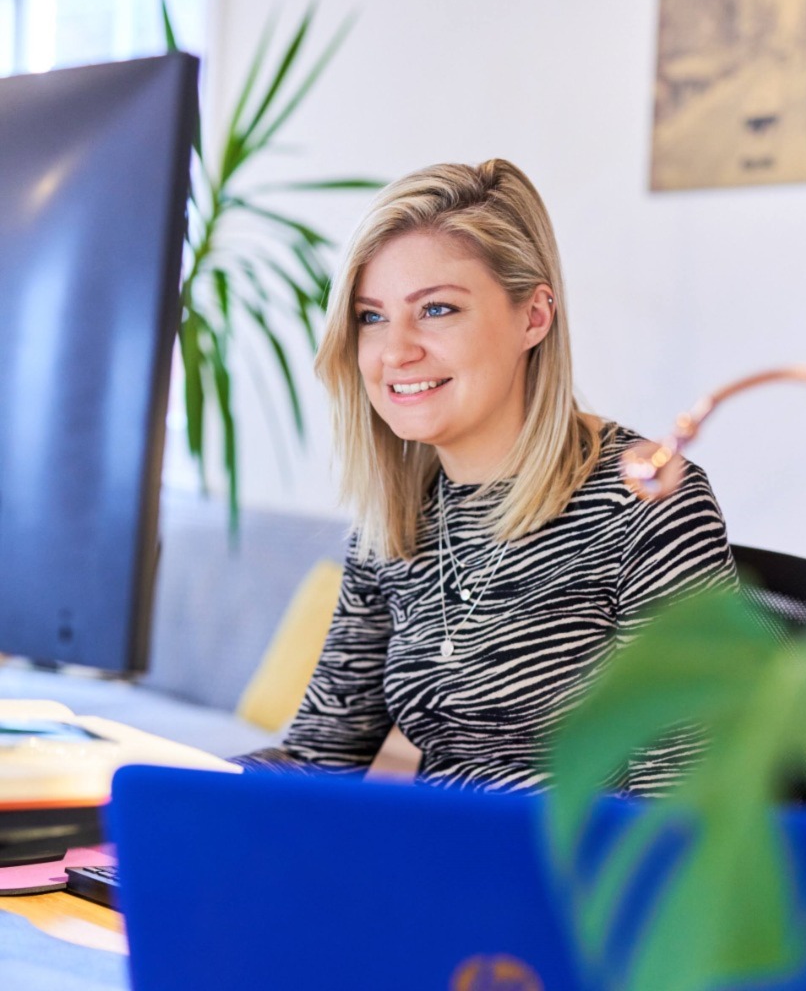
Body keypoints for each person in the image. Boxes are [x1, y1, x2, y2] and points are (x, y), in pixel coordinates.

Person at [233, 159, 736, 794]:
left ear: (534, 316)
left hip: (580, 884)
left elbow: (682, 800)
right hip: (432, 871)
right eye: (371, 316)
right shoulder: (396, 517)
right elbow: (320, 755)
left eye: (437, 309)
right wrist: (160, 795)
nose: (395, 351)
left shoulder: (644, 498)